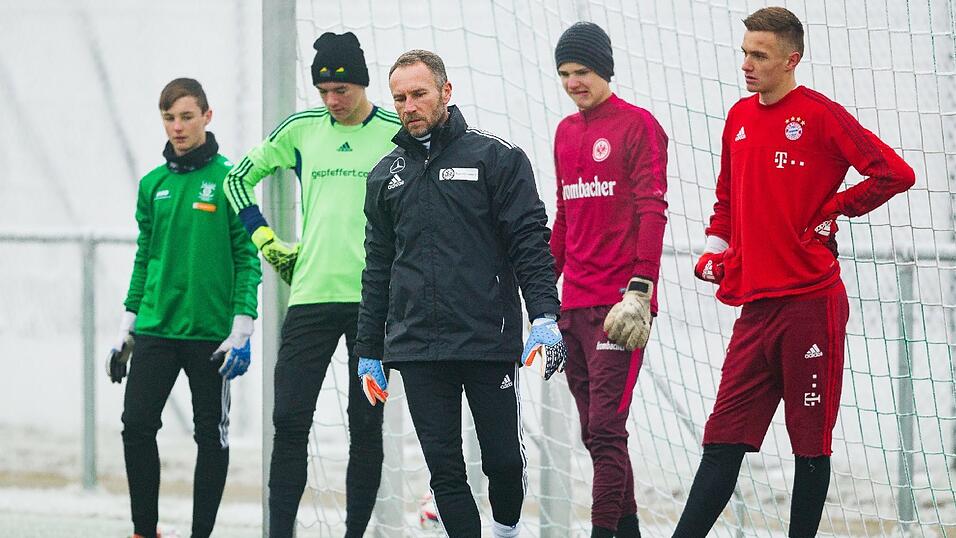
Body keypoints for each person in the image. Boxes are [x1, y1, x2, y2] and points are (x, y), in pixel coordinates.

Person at [673, 7, 915, 537]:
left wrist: (836, 208)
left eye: (759, 55)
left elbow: (894, 173)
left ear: (791, 59)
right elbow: (726, 200)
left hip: (811, 304)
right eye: (744, 52)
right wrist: (717, 251)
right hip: (755, 308)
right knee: (721, 440)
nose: (747, 64)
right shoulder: (738, 117)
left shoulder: (821, 116)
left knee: (809, 447)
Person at [355, 49, 567, 538]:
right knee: (445, 472)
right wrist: (370, 350)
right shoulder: (384, 176)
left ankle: (507, 530)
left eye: (419, 94)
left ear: (446, 92)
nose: (409, 106)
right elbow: (377, 268)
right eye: (399, 98)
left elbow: (530, 243)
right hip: (417, 348)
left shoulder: (497, 158)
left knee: (503, 464)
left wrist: (544, 316)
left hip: (485, 340)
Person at [223, 32, 401, 537]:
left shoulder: (393, 131)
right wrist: (265, 238)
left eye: (340, 90)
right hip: (310, 296)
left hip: (374, 301)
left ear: (361, 84)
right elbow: (238, 179)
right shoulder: (302, 129)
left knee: (365, 428)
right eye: (323, 90)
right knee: (289, 421)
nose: (332, 100)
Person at [107, 77, 262, 538]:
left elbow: (246, 257)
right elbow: (144, 256)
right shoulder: (151, 184)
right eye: (169, 118)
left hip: (210, 335)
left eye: (186, 116)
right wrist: (126, 326)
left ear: (207, 117)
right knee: (135, 425)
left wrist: (242, 325)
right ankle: (144, 530)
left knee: (210, 437)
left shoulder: (231, 180)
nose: (177, 127)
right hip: (156, 327)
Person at [550, 21, 669, 538]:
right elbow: (563, 217)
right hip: (572, 304)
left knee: (605, 429)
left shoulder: (638, 125)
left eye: (582, 71)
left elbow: (652, 209)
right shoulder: (564, 132)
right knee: (595, 433)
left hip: (620, 310)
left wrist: (641, 287)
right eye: (565, 73)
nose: (574, 82)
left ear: (605, 69)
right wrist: (539, 290)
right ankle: (628, 530)